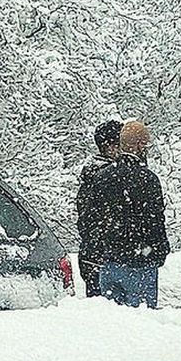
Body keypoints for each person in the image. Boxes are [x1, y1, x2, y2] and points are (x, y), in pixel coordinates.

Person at [91, 119, 169, 308]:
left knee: (113, 321)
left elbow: (93, 220)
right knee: (142, 324)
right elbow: (154, 221)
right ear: (140, 145)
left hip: (110, 261)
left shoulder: (102, 178)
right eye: (146, 144)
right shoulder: (147, 179)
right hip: (140, 263)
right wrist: (159, 250)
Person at [75, 119, 122, 297]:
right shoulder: (105, 178)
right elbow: (93, 221)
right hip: (101, 257)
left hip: (93, 256)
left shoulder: (93, 176)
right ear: (110, 146)